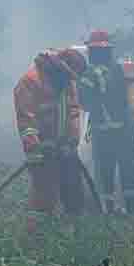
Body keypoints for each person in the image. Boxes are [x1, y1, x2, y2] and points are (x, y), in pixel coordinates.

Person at [13, 47, 88, 234]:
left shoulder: (66, 81)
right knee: (43, 196)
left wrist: (71, 142)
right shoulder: (30, 81)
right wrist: (37, 147)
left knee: (73, 191)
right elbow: (26, 120)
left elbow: (73, 113)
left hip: (63, 148)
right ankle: (37, 239)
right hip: (40, 151)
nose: (70, 80)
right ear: (58, 67)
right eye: (68, 75)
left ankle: (75, 235)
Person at [77, 29, 134, 214]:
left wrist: (81, 81)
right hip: (126, 131)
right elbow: (133, 105)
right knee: (129, 173)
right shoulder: (122, 70)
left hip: (104, 133)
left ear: (95, 51)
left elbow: (85, 103)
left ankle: (107, 213)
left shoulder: (91, 74)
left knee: (105, 175)